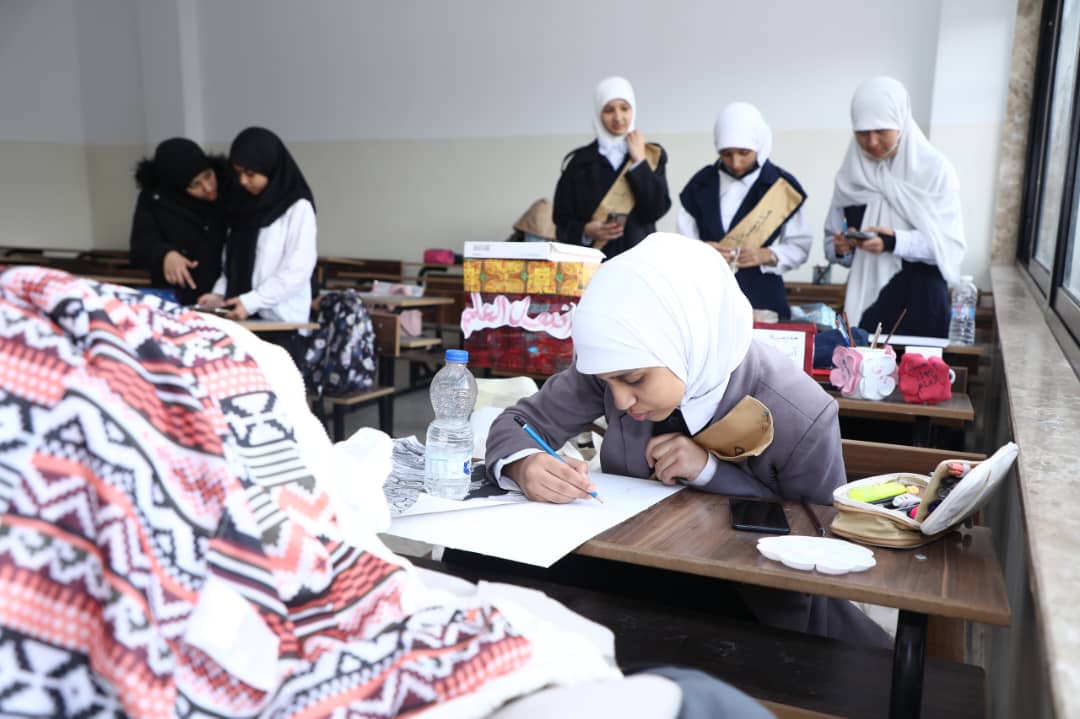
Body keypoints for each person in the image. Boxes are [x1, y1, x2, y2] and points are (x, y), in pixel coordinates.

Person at [486, 233, 889, 647]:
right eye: (609, 383)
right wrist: (524, 464)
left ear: (687, 339)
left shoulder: (799, 410)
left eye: (634, 380)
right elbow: (517, 423)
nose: (620, 401)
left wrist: (711, 472)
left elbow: (821, 537)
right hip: (629, 574)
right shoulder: (614, 365)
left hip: (751, 609)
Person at [824, 76, 965, 337]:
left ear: (901, 122)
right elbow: (831, 242)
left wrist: (893, 241)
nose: (872, 142)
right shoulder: (850, 175)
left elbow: (949, 245)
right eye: (862, 133)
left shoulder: (934, 170)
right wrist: (841, 248)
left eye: (881, 131)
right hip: (865, 299)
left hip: (920, 302)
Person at [676, 102, 812, 320]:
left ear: (759, 144)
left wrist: (768, 255)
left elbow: (799, 246)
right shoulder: (700, 185)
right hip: (709, 296)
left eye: (744, 153)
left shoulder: (781, 186)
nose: (736, 163)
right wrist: (702, 250)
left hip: (763, 296)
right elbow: (680, 245)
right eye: (726, 154)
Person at [197, 126, 317, 326]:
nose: (243, 181)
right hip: (241, 318)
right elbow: (233, 263)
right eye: (238, 173)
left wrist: (253, 301)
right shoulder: (242, 206)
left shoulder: (298, 208)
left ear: (270, 168)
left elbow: (297, 269)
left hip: (281, 321)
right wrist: (218, 295)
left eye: (250, 174)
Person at [553, 76, 671, 259]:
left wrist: (639, 161)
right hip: (593, 264)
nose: (618, 117)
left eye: (624, 108)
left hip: (639, 262)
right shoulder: (579, 163)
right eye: (609, 110)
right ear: (598, 113)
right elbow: (561, 222)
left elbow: (656, 210)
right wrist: (585, 231)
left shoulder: (651, 155)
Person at [129, 138, 227, 305]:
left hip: (226, 296)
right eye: (195, 184)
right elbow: (141, 246)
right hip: (178, 298)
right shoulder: (155, 199)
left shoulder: (229, 187)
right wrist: (165, 255)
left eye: (208, 176)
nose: (208, 187)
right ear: (178, 187)